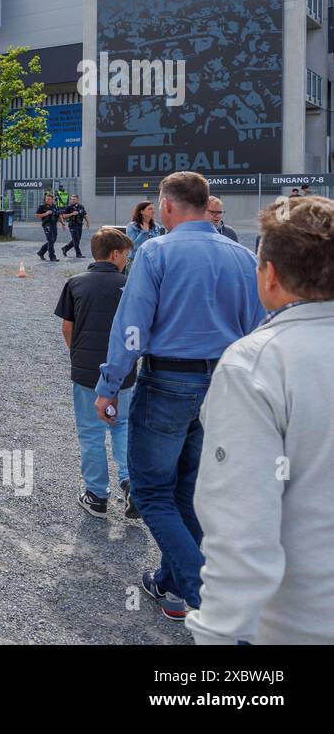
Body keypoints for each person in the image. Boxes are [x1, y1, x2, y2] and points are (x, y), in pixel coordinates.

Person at [94, 171, 265, 622]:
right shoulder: (243, 257)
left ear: (167, 206)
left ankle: (210, 602)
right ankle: (169, 582)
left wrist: (109, 386)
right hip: (222, 386)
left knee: (151, 492)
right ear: (205, 204)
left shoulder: (155, 252)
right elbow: (257, 331)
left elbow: (131, 328)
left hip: (168, 382)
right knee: (187, 491)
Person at [189, 195, 334, 644]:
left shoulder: (256, 364)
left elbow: (241, 526)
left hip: (302, 624)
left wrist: (216, 634)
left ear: (269, 275)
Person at [55, 227, 137, 519]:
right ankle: (130, 483)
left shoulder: (75, 283)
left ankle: (96, 495)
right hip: (123, 372)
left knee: (90, 432)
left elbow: (67, 327)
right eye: (126, 254)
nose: (127, 259)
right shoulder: (130, 285)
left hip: (87, 372)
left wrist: (77, 355)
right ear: (115, 254)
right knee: (122, 425)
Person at [35, 192, 61, 261]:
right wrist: (46, 213)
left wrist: (62, 223)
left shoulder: (55, 206)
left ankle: (41, 252)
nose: (47, 200)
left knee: (53, 240)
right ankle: (52, 257)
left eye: (49, 199)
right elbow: (37, 215)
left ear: (52, 200)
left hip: (54, 225)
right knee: (50, 240)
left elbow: (58, 215)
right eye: (46, 199)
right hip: (47, 225)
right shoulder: (42, 206)